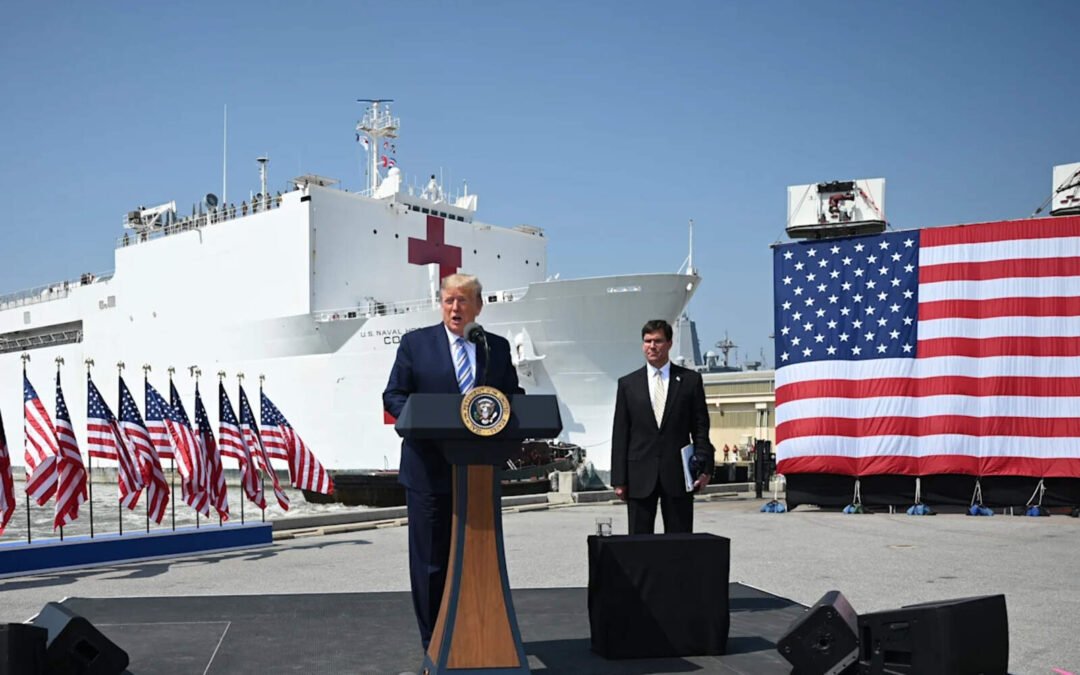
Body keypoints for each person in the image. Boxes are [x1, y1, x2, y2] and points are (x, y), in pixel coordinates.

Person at [383, 273, 523, 650]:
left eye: (463, 301)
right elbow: (394, 396)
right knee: (431, 564)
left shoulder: (496, 347)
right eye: (448, 301)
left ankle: (477, 638)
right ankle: (435, 645)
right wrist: (417, 422)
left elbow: (512, 397)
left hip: (478, 472)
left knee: (479, 561)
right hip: (428, 471)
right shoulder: (416, 344)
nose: (455, 308)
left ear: (478, 306)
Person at [610, 319, 713, 534]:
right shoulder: (628, 384)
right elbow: (620, 434)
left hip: (677, 475)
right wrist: (619, 480)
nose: (652, 346)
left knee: (679, 542)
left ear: (669, 344)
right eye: (647, 341)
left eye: (657, 341)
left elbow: (701, 428)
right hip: (639, 476)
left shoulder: (690, 381)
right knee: (638, 543)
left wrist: (705, 468)